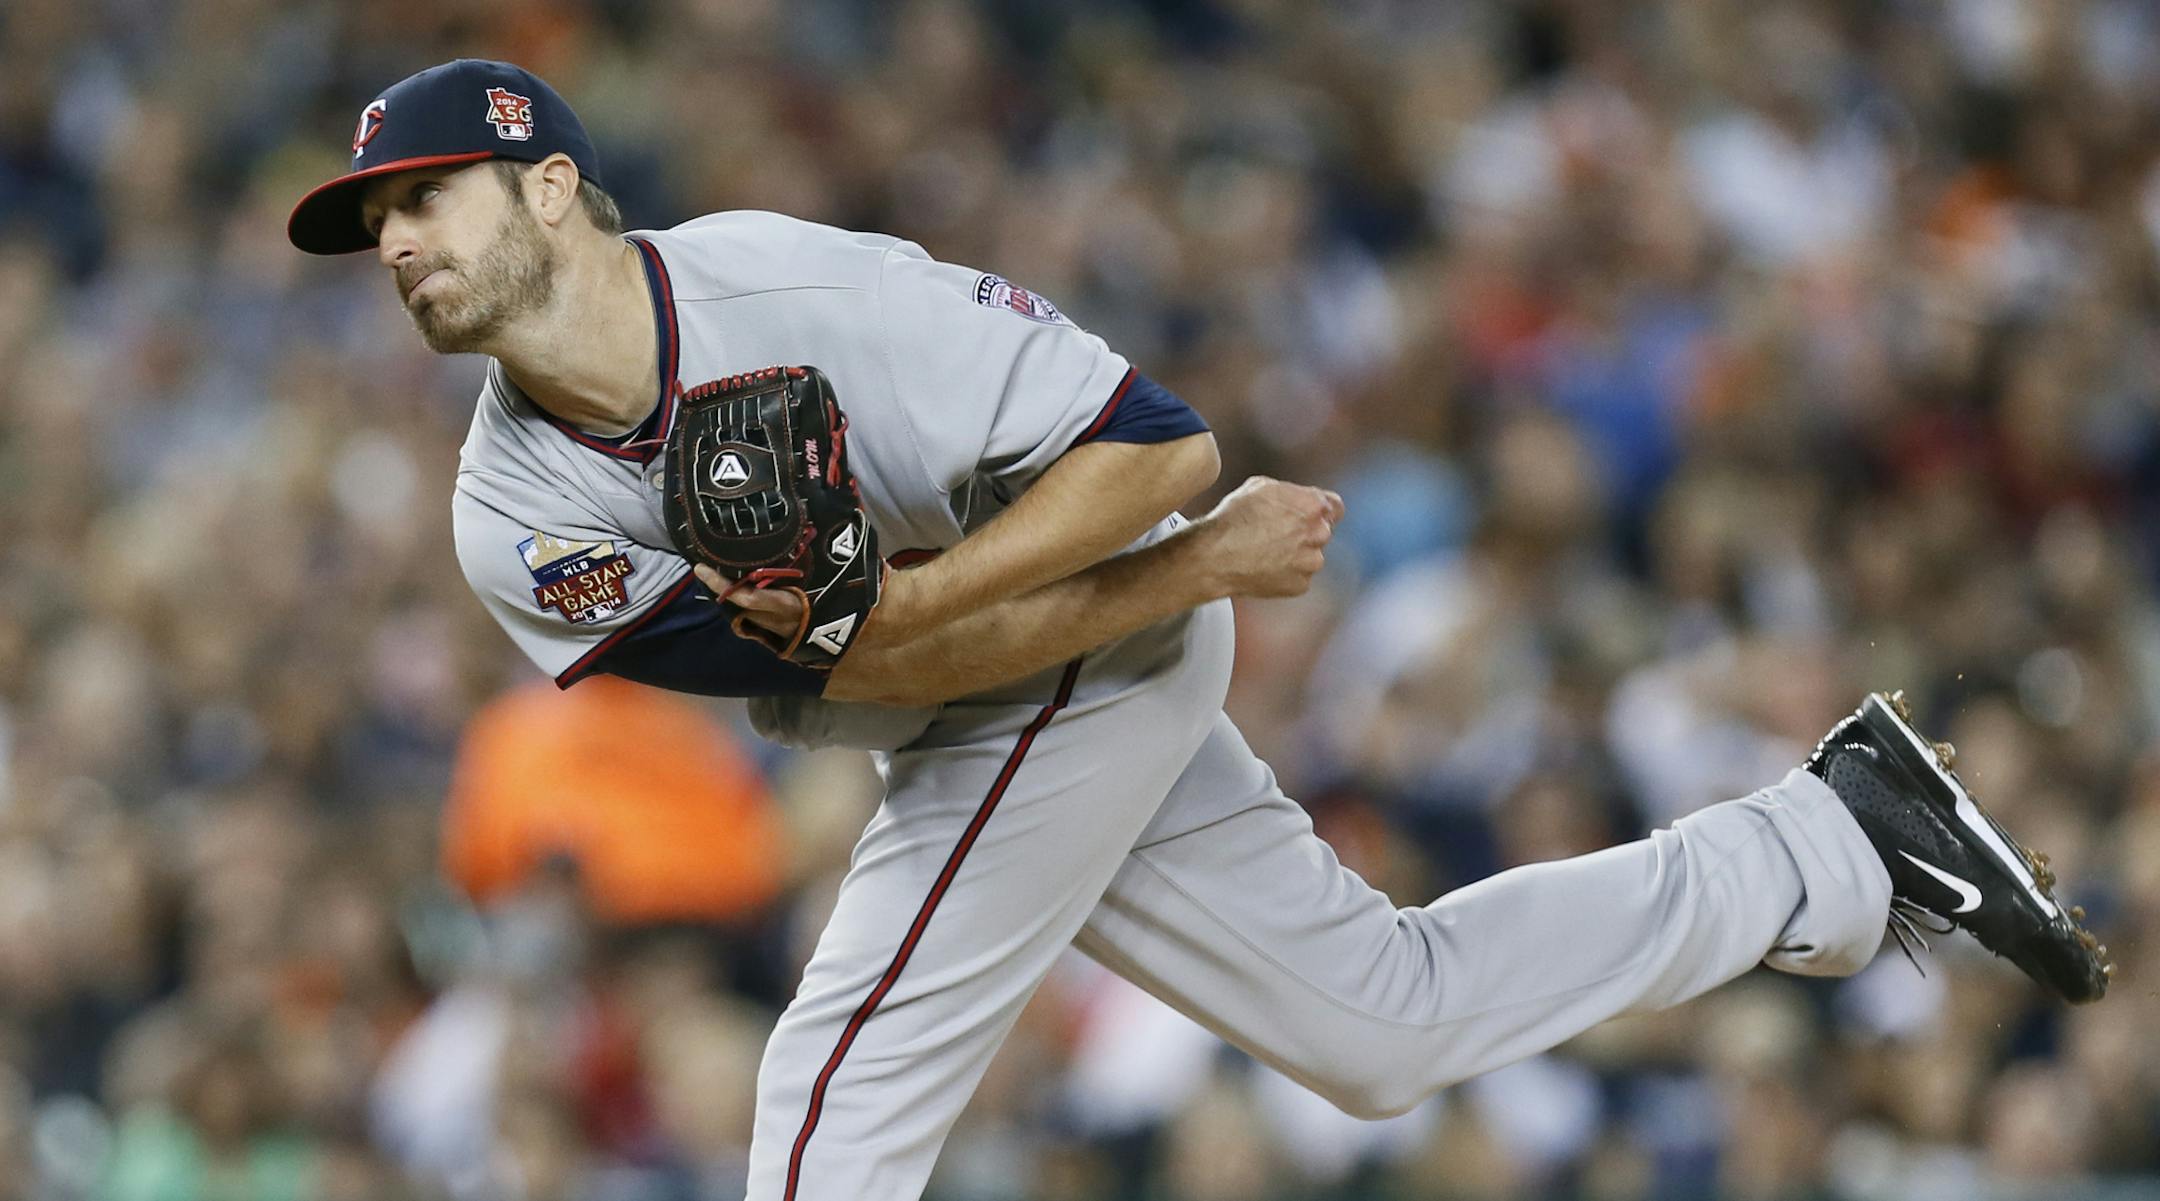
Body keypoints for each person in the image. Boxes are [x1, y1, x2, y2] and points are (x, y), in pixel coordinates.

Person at [287, 59, 2110, 1201]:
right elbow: (857, 663)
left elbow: (1164, 448)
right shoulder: (511, 512)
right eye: (371, 224)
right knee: (1382, 1022)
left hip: (1085, 647)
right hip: (1011, 668)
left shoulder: (806, 293)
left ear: (545, 184)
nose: (391, 243)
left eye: (419, 198)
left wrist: (1117, 574)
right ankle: (1822, 841)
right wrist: (1178, 574)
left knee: (831, 1074)